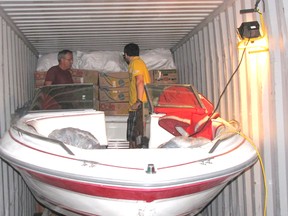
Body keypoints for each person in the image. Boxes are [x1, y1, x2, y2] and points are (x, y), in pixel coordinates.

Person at [123, 43, 151, 148]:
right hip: (136, 106)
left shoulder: (137, 63)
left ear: (126, 54)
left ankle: (134, 160)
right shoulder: (134, 64)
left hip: (139, 106)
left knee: (134, 137)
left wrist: (138, 102)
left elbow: (140, 81)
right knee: (133, 137)